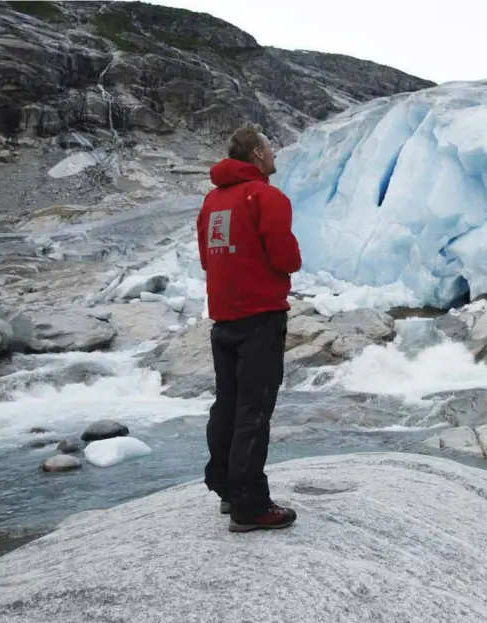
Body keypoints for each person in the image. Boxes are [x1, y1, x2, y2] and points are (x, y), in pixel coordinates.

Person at [196, 122, 302, 533]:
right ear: (257, 154)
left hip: (224, 318)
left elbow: (209, 258)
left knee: (228, 405)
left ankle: (226, 488)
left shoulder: (212, 201)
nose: (275, 155)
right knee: (254, 410)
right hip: (260, 316)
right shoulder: (266, 196)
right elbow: (285, 257)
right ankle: (250, 505)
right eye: (270, 147)